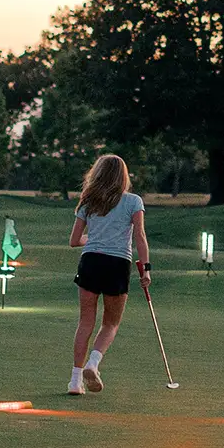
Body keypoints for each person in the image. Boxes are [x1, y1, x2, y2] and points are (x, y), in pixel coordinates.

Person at [65, 153, 148, 395]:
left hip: (90, 261)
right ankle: (93, 363)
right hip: (117, 263)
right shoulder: (133, 201)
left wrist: (93, 239)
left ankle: (74, 381)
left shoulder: (88, 201)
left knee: (85, 322)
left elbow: (74, 241)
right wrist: (146, 267)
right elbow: (139, 236)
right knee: (110, 323)